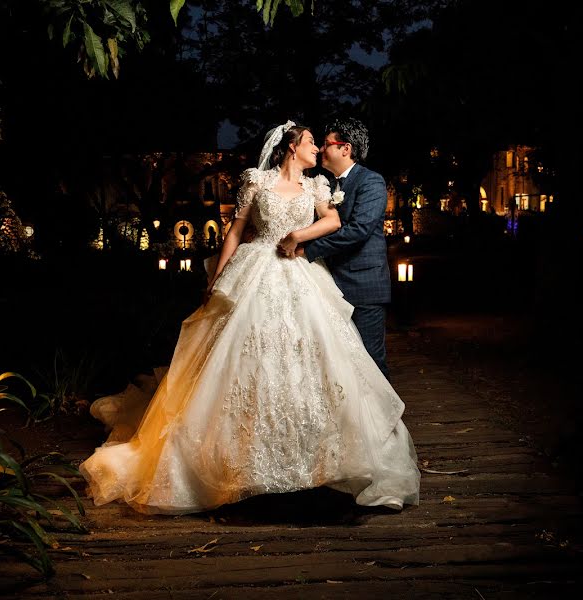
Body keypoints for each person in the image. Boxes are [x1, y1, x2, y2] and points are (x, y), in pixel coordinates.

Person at [80, 120, 420, 515]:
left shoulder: (317, 186)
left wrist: (299, 238)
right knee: (247, 358)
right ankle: (241, 465)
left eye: (322, 143)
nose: (318, 148)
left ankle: (321, 462)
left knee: (315, 358)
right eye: (312, 142)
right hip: (256, 268)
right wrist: (218, 276)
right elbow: (235, 231)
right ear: (292, 147)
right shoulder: (256, 181)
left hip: (299, 273)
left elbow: (336, 222)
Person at [278, 118, 392, 379]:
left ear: (345, 149)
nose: (320, 148)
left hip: (364, 286)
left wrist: (308, 250)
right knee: (340, 363)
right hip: (329, 287)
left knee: (371, 362)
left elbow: (358, 230)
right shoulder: (325, 186)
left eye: (327, 144)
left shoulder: (371, 182)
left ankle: (383, 421)